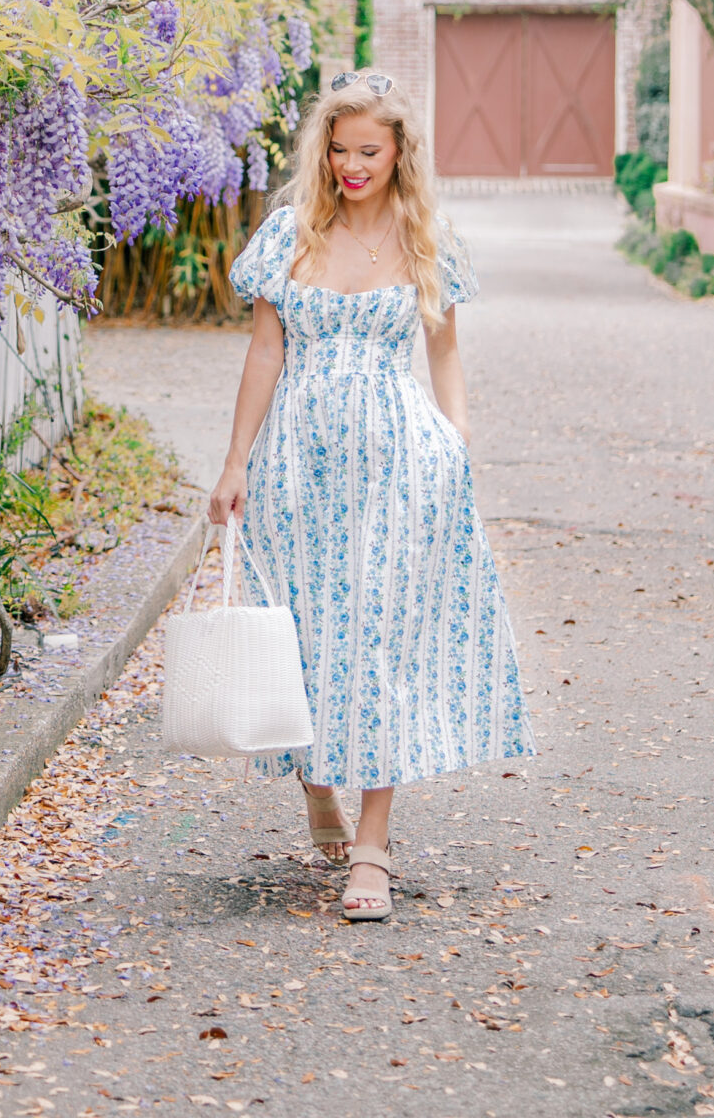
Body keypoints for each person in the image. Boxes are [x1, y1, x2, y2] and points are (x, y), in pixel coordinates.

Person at [207, 68, 534, 922]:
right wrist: (235, 462)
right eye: (339, 149)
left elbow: (445, 351)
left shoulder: (425, 238)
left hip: (400, 466)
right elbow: (265, 354)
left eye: (368, 151)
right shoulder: (288, 236)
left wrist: (456, 438)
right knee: (307, 637)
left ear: (398, 154)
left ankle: (373, 848)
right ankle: (317, 784)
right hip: (295, 467)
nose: (351, 166)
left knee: (381, 642)